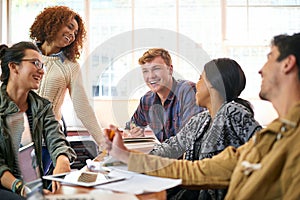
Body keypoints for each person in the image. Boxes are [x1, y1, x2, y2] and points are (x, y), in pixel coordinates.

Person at [106, 32, 300, 199]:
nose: (260, 69)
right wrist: (125, 156)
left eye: (270, 56)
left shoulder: (233, 113)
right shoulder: (204, 120)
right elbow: (191, 164)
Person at [148, 58, 261, 200]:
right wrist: (128, 158)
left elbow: (265, 149)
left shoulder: (234, 111)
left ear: (213, 84)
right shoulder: (200, 120)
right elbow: (170, 148)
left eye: (200, 79)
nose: (196, 85)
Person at [0, 42, 76, 199]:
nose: (41, 71)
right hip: (6, 186)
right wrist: (22, 188)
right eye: (35, 64)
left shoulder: (43, 106)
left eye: (42, 65)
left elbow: (57, 139)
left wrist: (62, 160)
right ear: (14, 67)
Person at [29, 6, 104, 146]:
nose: (72, 34)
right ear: (53, 23)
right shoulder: (24, 53)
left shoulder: (70, 66)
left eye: (75, 33)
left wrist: (103, 143)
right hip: (15, 135)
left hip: (48, 140)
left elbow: (83, 107)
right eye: (69, 27)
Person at [128, 48, 204, 142]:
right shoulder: (147, 100)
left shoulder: (187, 91)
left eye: (156, 69)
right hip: (166, 154)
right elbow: (132, 125)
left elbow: (190, 137)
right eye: (145, 71)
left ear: (170, 70)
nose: (151, 76)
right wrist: (135, 131)